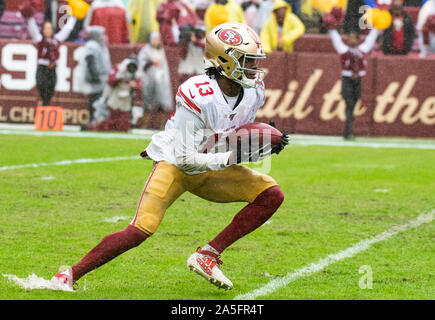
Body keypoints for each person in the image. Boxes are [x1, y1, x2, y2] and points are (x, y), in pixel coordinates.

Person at [51, 22, 289, 291]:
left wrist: (255, 145)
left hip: (209, 164)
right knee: (141, 229)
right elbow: (186, 159)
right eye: (246, 61)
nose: (253, 68)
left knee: (271, 195)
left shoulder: (254, 90)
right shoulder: (199, 93)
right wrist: (230, 157)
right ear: (225, 61)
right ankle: (68, 275)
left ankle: (208, 255)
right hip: (176, 166)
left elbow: (231, 135)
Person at [327, 10, 379, 140]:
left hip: (357, 81)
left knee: (353, 105)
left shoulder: (363, 49)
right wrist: (331, 27)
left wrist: (378, 24)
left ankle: (348, 130)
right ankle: (348, 131)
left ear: (358, 39)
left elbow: (373, 37)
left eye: (353, 38)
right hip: (347, 79)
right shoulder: (343, 49)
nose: (351, 40)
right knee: (349, 105)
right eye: (349, 38)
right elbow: (335, 37)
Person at [21, 0, 77, 106]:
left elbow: (67, 29)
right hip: (42, 69)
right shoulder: (39, 39)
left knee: (50, 92)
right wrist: (29, 17)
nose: (47, 30)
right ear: (43, 29)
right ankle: (43, 110)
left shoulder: (57, 39)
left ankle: (47, 110)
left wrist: (74, 17)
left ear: (52, 30)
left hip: (52, 69)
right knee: (42, 92)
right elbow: (32, 28)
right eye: (46, 28)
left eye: (49, 28)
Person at [87, 55, 140, 132]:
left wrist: (134, 84)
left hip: (126, 99)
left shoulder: (136, 72)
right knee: (110, 121)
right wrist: (121, 73)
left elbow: (140, 85)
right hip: (115, 97)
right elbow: (111, 81)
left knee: (124, 122)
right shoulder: (118, 68)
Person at [79, 25, 111, 123]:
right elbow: (90, 60)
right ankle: (93, 119)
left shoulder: (101, 46)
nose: (103, 37)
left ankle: (98, 120)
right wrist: (95, 75)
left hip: (102, 78)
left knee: (100, 100)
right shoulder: (92, 45)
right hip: (96, 78)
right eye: (101, 35)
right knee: (95, 100)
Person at [138, 32, 173, 112]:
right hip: (148, 76)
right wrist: (151, 62)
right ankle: (146, 109)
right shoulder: (145, 50)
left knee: (160, 94)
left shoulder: (160, 50)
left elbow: (164, 66)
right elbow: (141, 64)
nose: (156, 41)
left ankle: (160, 108)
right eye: (154, 39)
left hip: (159, 77)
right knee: (147, 94)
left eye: (158, 39)